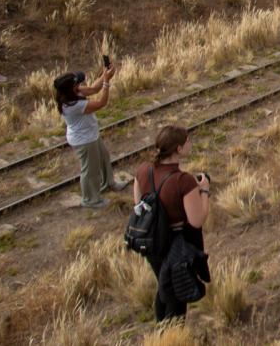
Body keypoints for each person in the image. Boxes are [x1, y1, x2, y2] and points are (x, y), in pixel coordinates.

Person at [134, 125, 210, 321]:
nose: (190, 144)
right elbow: (197, 220)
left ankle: (161, 329)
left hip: (151, 241)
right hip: (175, 243)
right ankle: (172, 335)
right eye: (187, 141)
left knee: (163, 284)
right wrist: (204, 191)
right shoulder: (183, 181)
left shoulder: (143, 170)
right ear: (178, 149)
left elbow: (138, 204)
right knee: (177, 294)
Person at [54, 66, 129, 208]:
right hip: (84, 140)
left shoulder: (72, 94)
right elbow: (101, 103)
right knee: (89, 170)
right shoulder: (73, 105)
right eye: (76, 83)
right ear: (71, 88)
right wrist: (106, 83)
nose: (80, 85)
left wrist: (105, 76)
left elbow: (94, 89)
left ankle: (107, 183)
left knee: (104, 157)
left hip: (90, 135)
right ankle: (90, 200)